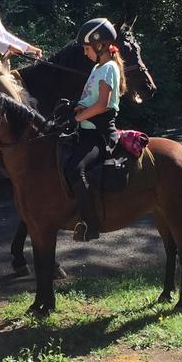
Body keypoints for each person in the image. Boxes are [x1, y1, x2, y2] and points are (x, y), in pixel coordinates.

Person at [64, 17, 126, 241]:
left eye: (87, 48)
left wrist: (78, 117)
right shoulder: (97, 67)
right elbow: (91, 101)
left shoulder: (108, 68)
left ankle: (91, 224)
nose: (84, 52)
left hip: (99, 135)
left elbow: (101, 105)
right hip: (86, 130)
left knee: (74, 169)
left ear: (100, 45)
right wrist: (77, 106)